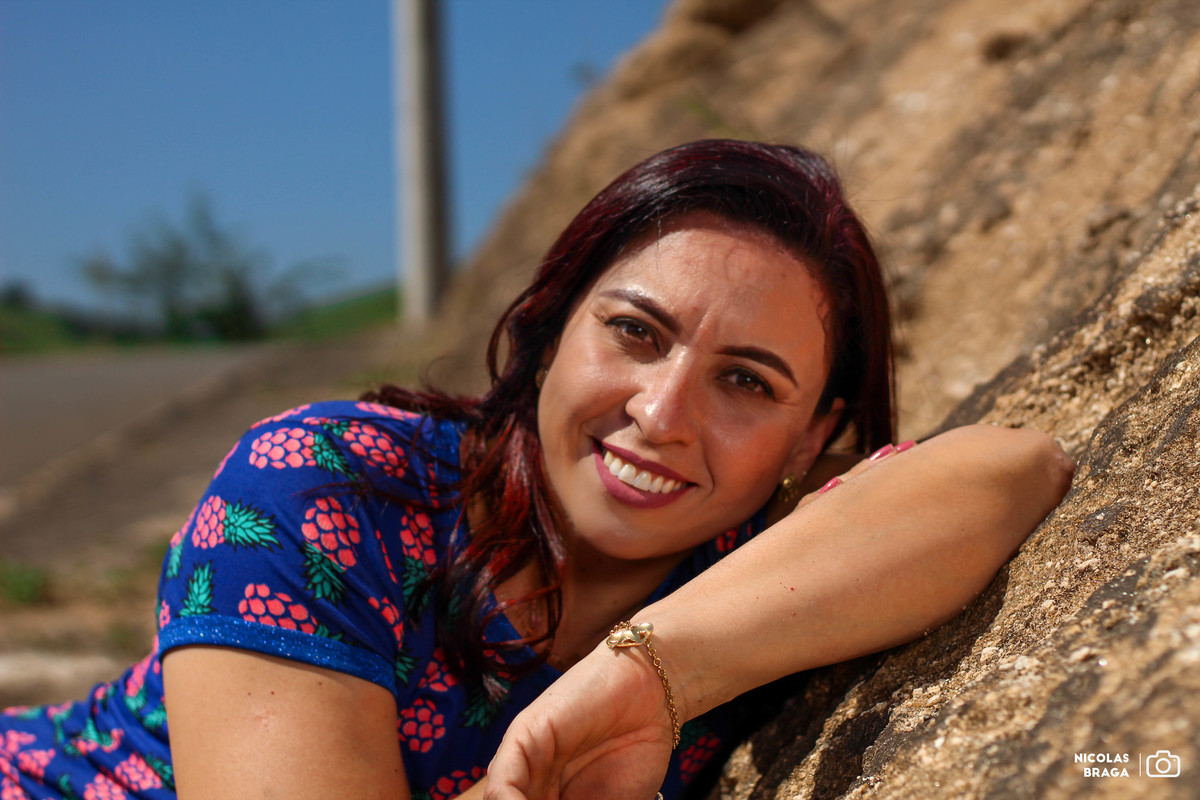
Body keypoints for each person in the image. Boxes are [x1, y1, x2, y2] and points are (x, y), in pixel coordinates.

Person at [0, 140, 1073, 800]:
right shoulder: (327, 487)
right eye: (636, 332)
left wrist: (646, 671)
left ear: (810, 436)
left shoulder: (763, 561)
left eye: (747, 381)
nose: (661, 415)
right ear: (552, 329)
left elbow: (1012, 468)